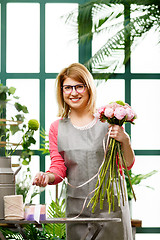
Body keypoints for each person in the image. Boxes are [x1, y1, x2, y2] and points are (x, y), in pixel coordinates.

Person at [33, 63, 135, 240]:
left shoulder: (109, 122)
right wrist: (46, 177)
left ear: (88, 88)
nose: (73, 92)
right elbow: (58, 168)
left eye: (79, 86)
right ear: (61, 91)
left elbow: (126, 164)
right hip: (77, 211)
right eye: (68, 87)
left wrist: (124, 139)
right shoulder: (57, 128)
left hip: (110, 208)